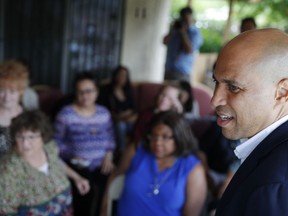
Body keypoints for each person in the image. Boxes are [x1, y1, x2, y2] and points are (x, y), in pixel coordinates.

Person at [211, 28, 288, 215]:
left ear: (282, 91)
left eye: (233, 87)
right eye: (216, 82)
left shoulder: (273, 185)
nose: (215, 100)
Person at [102, 111, 207, 216]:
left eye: (165, 137)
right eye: (154, 136)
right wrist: (104, 209)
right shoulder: (136, 150)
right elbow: (114, 176)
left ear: (179, 137)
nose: (157, 142)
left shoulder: (194, 170)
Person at [0, 110, 90, 215]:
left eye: (31, 137)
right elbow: (6, 209)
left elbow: (56, 162)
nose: (25, 143)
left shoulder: (50, 148)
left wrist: (77, 178)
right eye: (20, 136)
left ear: (43, 137)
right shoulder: (9, 169)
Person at [54, 72, 116, 216]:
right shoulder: (66, 114)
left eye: (89, 91)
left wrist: (109, 155)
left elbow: (111, 139)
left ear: (97, 92)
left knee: (106, 195)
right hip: (76, 166)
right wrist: (72, 156)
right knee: (85, 197)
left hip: (102, 164)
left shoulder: (103, 113)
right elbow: (55, 144)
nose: (85, 95)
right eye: (80, 91)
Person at [98, 65, 138, 153]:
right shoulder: (106, 90)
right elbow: (102, 109)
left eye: (124, 76)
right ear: (115, 76)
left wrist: (133, 116)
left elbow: (135, 108)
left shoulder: (129, 90)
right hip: (115, 121)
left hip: (129, 121)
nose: (121, 78)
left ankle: (136, 151)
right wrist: (119, 117)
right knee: (120, 125)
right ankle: (121, 152)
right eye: (119, 75)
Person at [163, 6, 203, 82]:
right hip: (169, 70)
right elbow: (164, 42)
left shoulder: (195, 33)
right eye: (182, 19)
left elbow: (189, 50)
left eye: (186, 19)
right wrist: (172, 29)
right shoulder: (175, 30)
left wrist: (183, 33)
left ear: (191, 18)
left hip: (182, 72)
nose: (184, 21)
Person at [0, 60, 29, 156]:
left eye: (12, 91)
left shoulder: (28, 117)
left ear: (21, 92)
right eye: (2, 91)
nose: (7, 97)